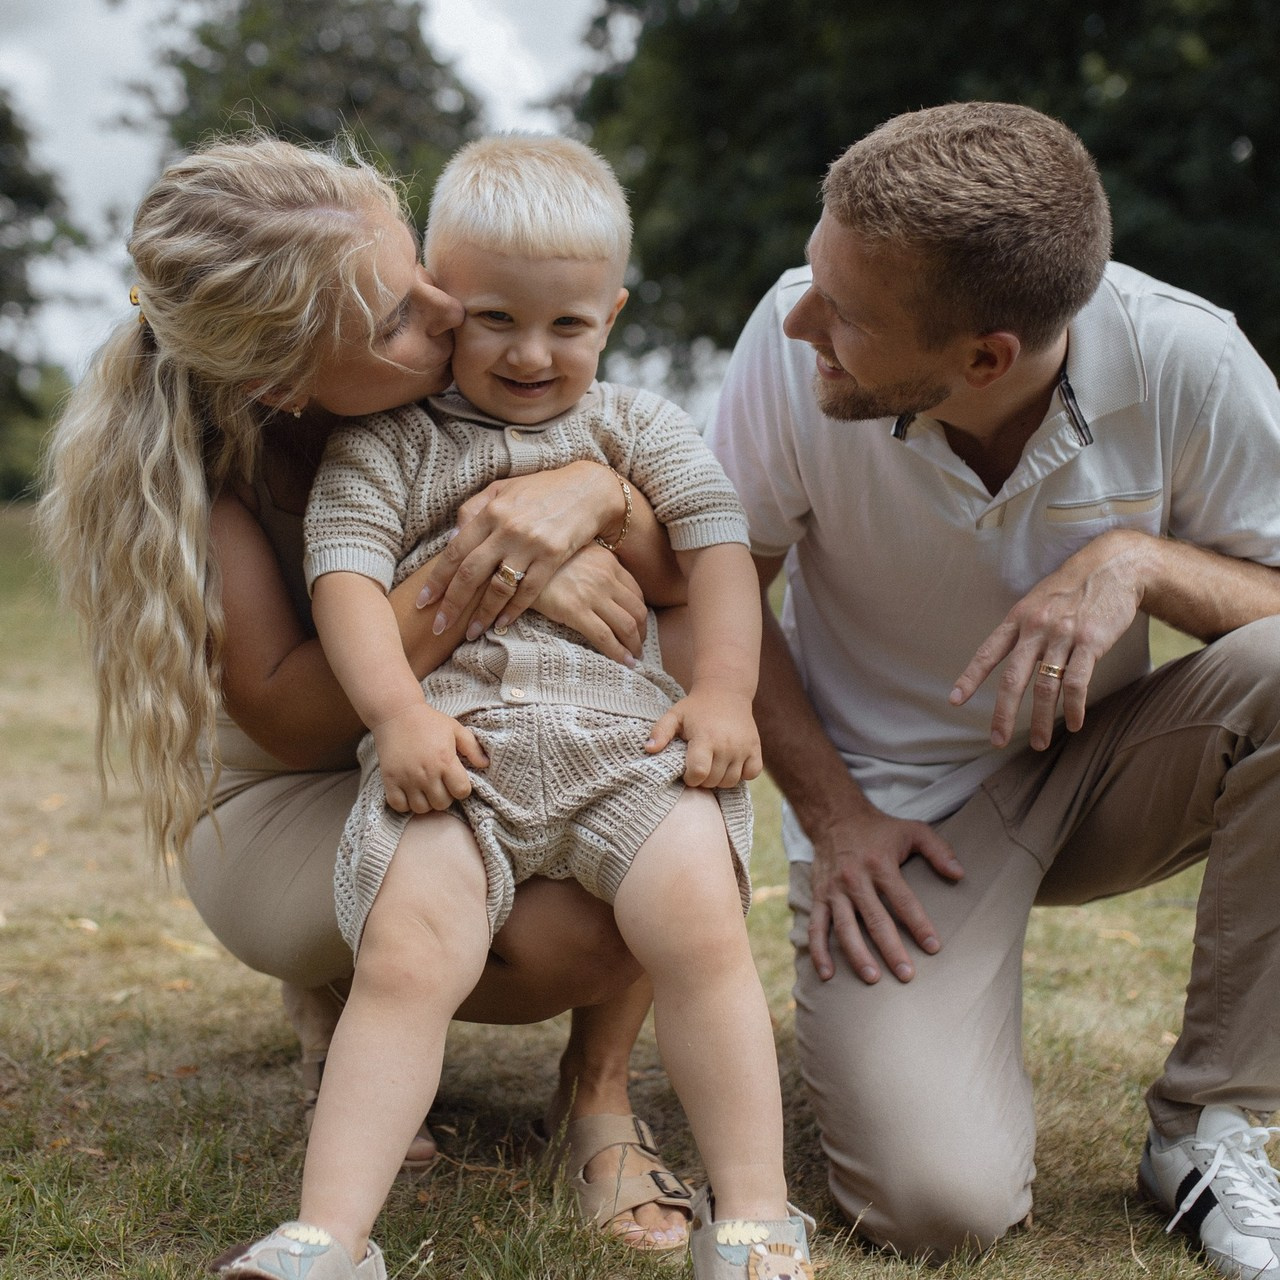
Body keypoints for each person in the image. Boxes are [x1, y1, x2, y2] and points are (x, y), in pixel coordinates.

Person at [35, 132, 704, 1259]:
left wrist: (586, 491)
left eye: (416, 275)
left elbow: (684, 569)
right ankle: (329, 987)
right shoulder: (212, 478)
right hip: (285, 790)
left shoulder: (478, 370)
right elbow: (293, 713)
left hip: (459, 726)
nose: (447, 313)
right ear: (282, 382)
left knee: (644, 768)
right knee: (564, 934)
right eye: (396, 320)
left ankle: (597, 1097)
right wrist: (491, 564)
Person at [212, 132, 812, 1280]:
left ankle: (752, 1217)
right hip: (459, 748)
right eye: (492, 319)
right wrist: (395, 717)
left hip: (622, 750)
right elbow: (344, 579)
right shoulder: (386, 441)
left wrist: (726, 689)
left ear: (613, 311)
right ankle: (328, 1234)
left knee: (699, 921)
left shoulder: (638, 428)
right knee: (405, 950)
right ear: (442, 301)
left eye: (567, 324)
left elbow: (718, 547)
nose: (531, 354)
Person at [706, 101, 1280, 1277]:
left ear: (983, 357)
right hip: (890, 829)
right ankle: (930, 1047)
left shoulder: (1189, 357)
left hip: (1097, 773)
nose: (798, 316)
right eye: (815, 274)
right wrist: (829, 810)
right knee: (936, 1203)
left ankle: (1207, 1125)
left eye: (845, 314)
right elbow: (713, 591)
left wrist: (1139, 560)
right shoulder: (785, 337)